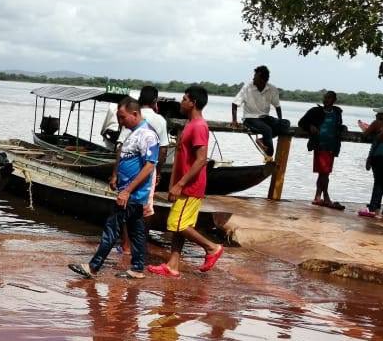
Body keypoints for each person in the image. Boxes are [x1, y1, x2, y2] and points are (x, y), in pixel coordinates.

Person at [69, 99, 159, 280]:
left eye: (122, 117)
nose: (120, 121)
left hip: (132, 194)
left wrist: (127, 191)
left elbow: (149, 166)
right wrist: (116, 175)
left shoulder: (147, 135)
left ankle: (93, 267)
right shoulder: (134, 133)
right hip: (128, 192)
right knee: (136, 230)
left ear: (134, 114)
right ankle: (138, 268)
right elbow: (125, 157)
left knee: (112, 227)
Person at [147, 86, 224, 278]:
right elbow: (182, 157)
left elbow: (201, 159)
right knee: (179, 226)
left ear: (193, 103)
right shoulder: (190, 124)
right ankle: (173, 266)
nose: (181, 102)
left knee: (178, 224)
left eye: (184, 99)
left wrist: (181, 184)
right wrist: (173, 183)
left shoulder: (199, 126)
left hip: (191, 186)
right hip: (183, 185)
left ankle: (212, 248)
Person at [298, 91, 346, 210]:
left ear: (334, 100)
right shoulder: (315, 111)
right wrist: (310, 126)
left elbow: (338, 126)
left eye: (329, 98)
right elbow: (301, 122)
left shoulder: (337, 112)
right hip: (320, 145)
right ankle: (326, 197)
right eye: (325, 97)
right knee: (324, 172)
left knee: (324, 173)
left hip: (332, 146)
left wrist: (343, 128)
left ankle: (318, 197)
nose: (326, 100)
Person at [231, 65, 290, 159]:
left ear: (263, 80)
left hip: (264, 118)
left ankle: (261, 140)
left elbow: (277, 107)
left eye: (256, 77)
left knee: (286, 124)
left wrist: (279, 122)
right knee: (267, 130)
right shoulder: (247, 87)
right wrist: (234, 120)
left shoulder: (272, 89)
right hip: (250, 118)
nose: (253, 79)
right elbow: (234, 104)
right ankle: (269, 156)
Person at [358, 108, 383, 217]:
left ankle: (373, 206)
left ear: (382, 115)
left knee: (378, 182)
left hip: (378, 155)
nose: (376, 115)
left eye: (378, 113)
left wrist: (368, 131)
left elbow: (365, 135)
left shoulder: (377, 123)